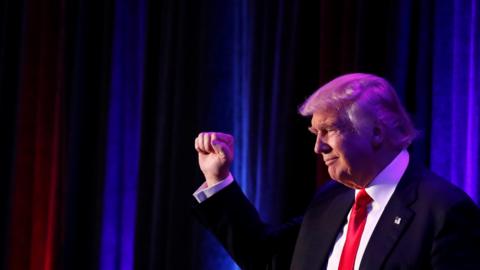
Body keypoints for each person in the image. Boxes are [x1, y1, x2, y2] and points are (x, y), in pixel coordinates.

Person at [192, 73, 480, 270]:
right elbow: (268, 259)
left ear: (376, 132)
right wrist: (218, 180)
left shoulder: (444, 212)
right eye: (315, 133)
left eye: (328, 131)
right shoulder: (331, 200)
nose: (318, 147)